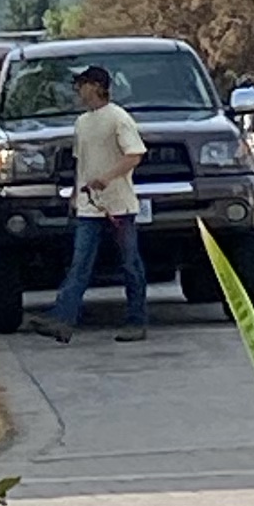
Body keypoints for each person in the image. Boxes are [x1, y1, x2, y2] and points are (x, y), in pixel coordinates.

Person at [41, 65, 149, 343]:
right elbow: (82, 163)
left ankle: (136, 321)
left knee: (130, 264)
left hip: (119, 207)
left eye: (83, 84)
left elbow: (134, 154)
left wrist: (107, 178)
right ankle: (63, 320)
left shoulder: (118, 118)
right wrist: (77, 195)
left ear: (98, 86)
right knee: (80, 264)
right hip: (89, 207)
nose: (78, 89)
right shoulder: (82, 123)